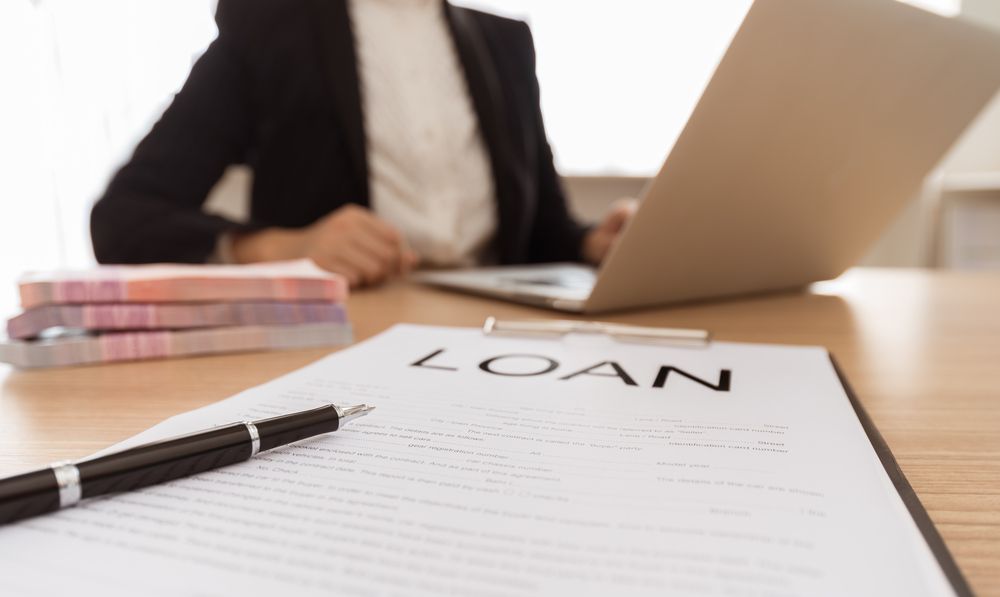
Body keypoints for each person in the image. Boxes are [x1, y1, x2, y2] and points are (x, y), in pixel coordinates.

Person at [90, 0, 635, 287]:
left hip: (498, 340)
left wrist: (594, 243)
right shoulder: (268, 25)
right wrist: (282, 248)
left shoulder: (506, 43)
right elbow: (124, 217)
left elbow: (542, 230)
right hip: (350, 334)